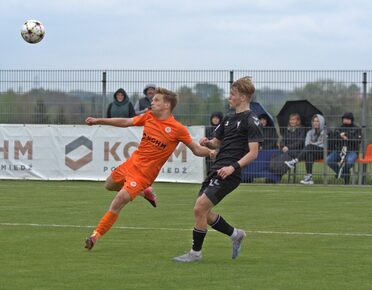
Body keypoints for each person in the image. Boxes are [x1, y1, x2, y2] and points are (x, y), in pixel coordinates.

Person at [84, 87, 215, 250]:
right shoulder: (149, 117)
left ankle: (95, 236)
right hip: (131, 164)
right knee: (109, 185)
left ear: (166, 105)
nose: (151, 102)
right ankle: (144, 192)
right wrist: (98, 121)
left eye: (156, 100)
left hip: (143, 176)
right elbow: (126, 122)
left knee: (119, 200)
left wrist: (209, 152)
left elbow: (196, 149)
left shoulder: (177, 129)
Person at [173, 76, 263, 262]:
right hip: (217, 168)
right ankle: (235, 234)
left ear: (244, 98)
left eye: (232, 94)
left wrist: (233, 167)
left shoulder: (252, 120)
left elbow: (253, 153)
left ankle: (195, 254)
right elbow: (217, 142)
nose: (229, 97)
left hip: (229, 173)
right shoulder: (229, 118)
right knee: (203, 213)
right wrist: (208, 142)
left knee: (199, 208)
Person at [285, 114, 326, 185]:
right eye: (314, 121)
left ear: (321, 122)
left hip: (322, 151)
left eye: (317, 121)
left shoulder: (325, 131)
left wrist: (313, 144)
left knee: (310, 147)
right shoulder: (310, 132)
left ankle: (294, 161)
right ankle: (309, 178)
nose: (315, 123)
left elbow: (322, 144)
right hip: (312, 151)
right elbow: (306, 144)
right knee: (309, 154)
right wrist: (314, 144)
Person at [327, 112, 361, 185]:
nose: (345, 120)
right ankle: (343, 174)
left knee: (349, 162)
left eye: (347, 119)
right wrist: (340, 136)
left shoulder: (357, 129)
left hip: (352, 151)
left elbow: (358, 141)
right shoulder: (338, 129)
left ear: (351, 120)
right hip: (339, 151)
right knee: (329, 160)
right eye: (344, 119)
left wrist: (347, 136)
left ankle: (342, 174)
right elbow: (333, 140)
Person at [269, 113, 306, 177]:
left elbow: (300, 141)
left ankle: (277, 173)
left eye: (294, 119)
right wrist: (283, 146)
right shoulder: (287, 129)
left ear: (298, 121)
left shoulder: (302, 129)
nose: (292, 121)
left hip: (297, 151)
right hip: (285, 150)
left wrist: (288, 147)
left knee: (285, 158)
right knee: (276, 156)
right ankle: (272, 171)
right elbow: (282, 140)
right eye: (291, 119)